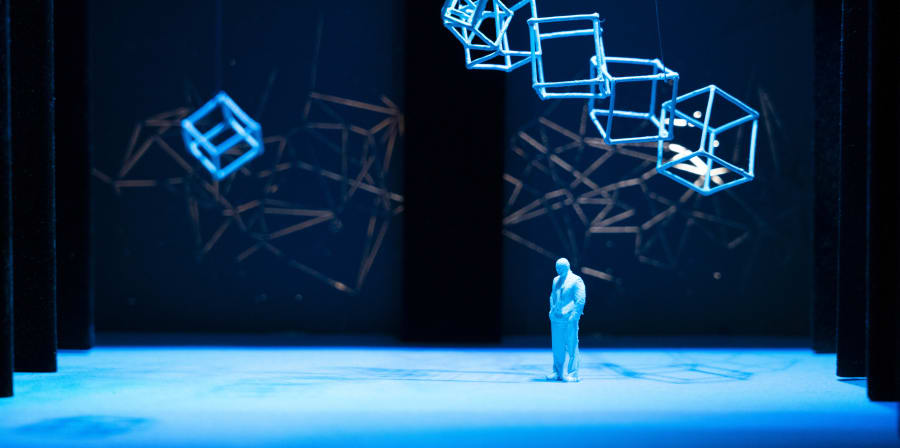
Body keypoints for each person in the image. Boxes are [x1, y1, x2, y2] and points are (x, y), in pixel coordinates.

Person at [546, 258, 586, 382]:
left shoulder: (576, 280)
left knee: (572, 346)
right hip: (556, 318)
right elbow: (552, 296)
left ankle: (573, 373)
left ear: (567, 266)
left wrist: (575, 316)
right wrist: (551, 310)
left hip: (569, 318)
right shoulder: (555, 280)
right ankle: (557, 372)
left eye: (560, 267)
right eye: (557, 267)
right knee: (557, 347)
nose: (558, 270)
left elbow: (580, 299)